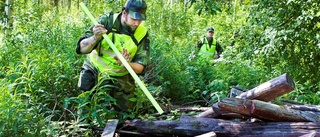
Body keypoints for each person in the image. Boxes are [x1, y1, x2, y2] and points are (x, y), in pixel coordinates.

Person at [76, 0, 150, 111]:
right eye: (134, 18)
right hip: (95, 70)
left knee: (126, 115)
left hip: (121, 75)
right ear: (124, 13)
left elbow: (140, 68)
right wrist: (95, 38)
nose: (137, 23)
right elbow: (81, 48)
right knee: (86, 108)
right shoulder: (106, 22)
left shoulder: (142, 33)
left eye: (140, 20)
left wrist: (126, 63)